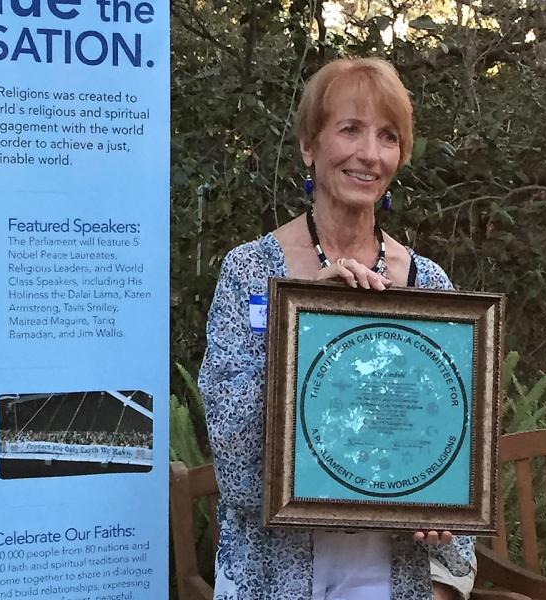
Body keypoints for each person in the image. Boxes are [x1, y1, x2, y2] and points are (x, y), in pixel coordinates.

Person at [198, 58, 474, 600]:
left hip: (393, 572)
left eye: (387, 136)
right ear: (309, 144)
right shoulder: (251, 270)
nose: (369, 154)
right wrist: (307, 329)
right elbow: (229, 447)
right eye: (350, 129)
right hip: (275, 568)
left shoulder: (429, 285)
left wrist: (447, 518)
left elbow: (450, 432)